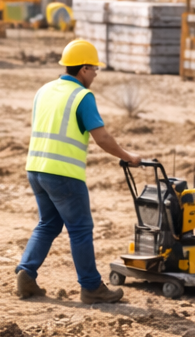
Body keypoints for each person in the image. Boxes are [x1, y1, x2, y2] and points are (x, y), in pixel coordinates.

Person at [15, 39, 141, 305]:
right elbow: (102, 137)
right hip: (63, 174)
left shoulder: (44, 90)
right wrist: (128, 156)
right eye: (94, 68)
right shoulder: (83, 96)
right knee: (81, 229)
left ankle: (26, 273)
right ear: (83, 69)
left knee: (48, 224)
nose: (96, 74)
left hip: (36, 169)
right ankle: (92, 287)